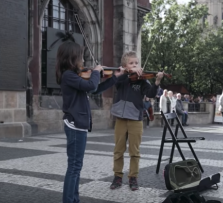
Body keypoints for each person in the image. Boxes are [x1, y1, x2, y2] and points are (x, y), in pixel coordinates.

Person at [56, 41, 124, 203]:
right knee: (74, 167)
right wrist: (96, 71)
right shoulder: (68, 75)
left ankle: (74, 199)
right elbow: (92, 85)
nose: (83, 60)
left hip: (78, 125)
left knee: (76, 167)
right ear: (72, 58)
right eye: (80, 57)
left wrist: (114, 78)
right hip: (75, 125)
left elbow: (95, 89)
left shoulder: (74, 76)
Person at [109, 51, 164, 191]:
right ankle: (117, 176)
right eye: (131, 63)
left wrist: (157, 82)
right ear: (125, 65)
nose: (135, 66)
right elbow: (117, 82)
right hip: (121, 119)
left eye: (136, 63)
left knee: (135, 151)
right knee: (118, 150)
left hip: (136, 119)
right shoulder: (121, 78)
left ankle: (133, 177)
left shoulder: (142, 79)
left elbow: (151, 93)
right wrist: (126, 73)